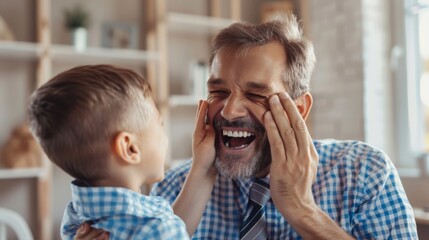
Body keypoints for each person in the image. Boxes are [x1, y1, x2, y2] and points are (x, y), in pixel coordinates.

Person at [76, 14, 418, 240]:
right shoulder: (174, 189)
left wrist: (302, 209)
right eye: (218, 91)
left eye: (256, 93)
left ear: (298, 109)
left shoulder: (364, 174)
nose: (230, 108)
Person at [28, 65, 217, 239]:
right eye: (160, 124)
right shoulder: (161, 229)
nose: (165, 135)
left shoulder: (74, 221)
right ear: (130, 148)